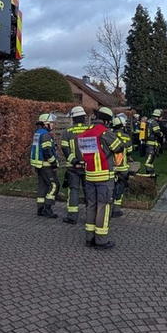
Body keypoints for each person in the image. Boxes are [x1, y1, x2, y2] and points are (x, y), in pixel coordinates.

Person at [75, 107, 123, 249]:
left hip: (89, 176)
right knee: (103, 207)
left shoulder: (85, 134)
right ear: (107, 121)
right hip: (104, 176)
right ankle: (101, 240)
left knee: (91, 206)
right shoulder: (105, 133)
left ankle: (89, 238)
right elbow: (119, 147)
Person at [60, 106, 90, 224]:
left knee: (74, 190)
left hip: (73, 168)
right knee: (88, 191)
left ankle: (72, 217)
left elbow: (65, 149)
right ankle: (90, 216)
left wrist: (75, 162)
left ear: (73, 118)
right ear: (83, 118)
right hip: (88, 167)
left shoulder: (67, 132)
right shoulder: (89, 130)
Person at [31, 113, 59, 218]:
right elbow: (47, 151)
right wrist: (54, 163)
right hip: (46, 165)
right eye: (51, 123)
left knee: (42, 185)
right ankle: (47, 208)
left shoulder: (38, 133)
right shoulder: (46, 135)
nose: (53, 125)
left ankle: (40, 208)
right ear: (46, 124)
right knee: (54, 185)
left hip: (39, 165)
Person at [111, 116, 133, 217]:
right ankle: (116, 210)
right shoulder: (126, 137)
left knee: (111, 188)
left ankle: (108, 209)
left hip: (111, 168)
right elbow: (129, 151)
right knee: (120, 188)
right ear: (123, 126)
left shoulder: (109, 135)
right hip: (123, 168)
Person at [144, 109, 164, 175]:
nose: (162, 118)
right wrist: (162, 134)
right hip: (151, 145)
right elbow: (157, 132)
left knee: (149, 159)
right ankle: (149, 173)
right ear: (158, 116)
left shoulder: (149, 121)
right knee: (149, 160)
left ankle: (151, 172)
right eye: (161, 117)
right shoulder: (154, 122)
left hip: (148, 143)